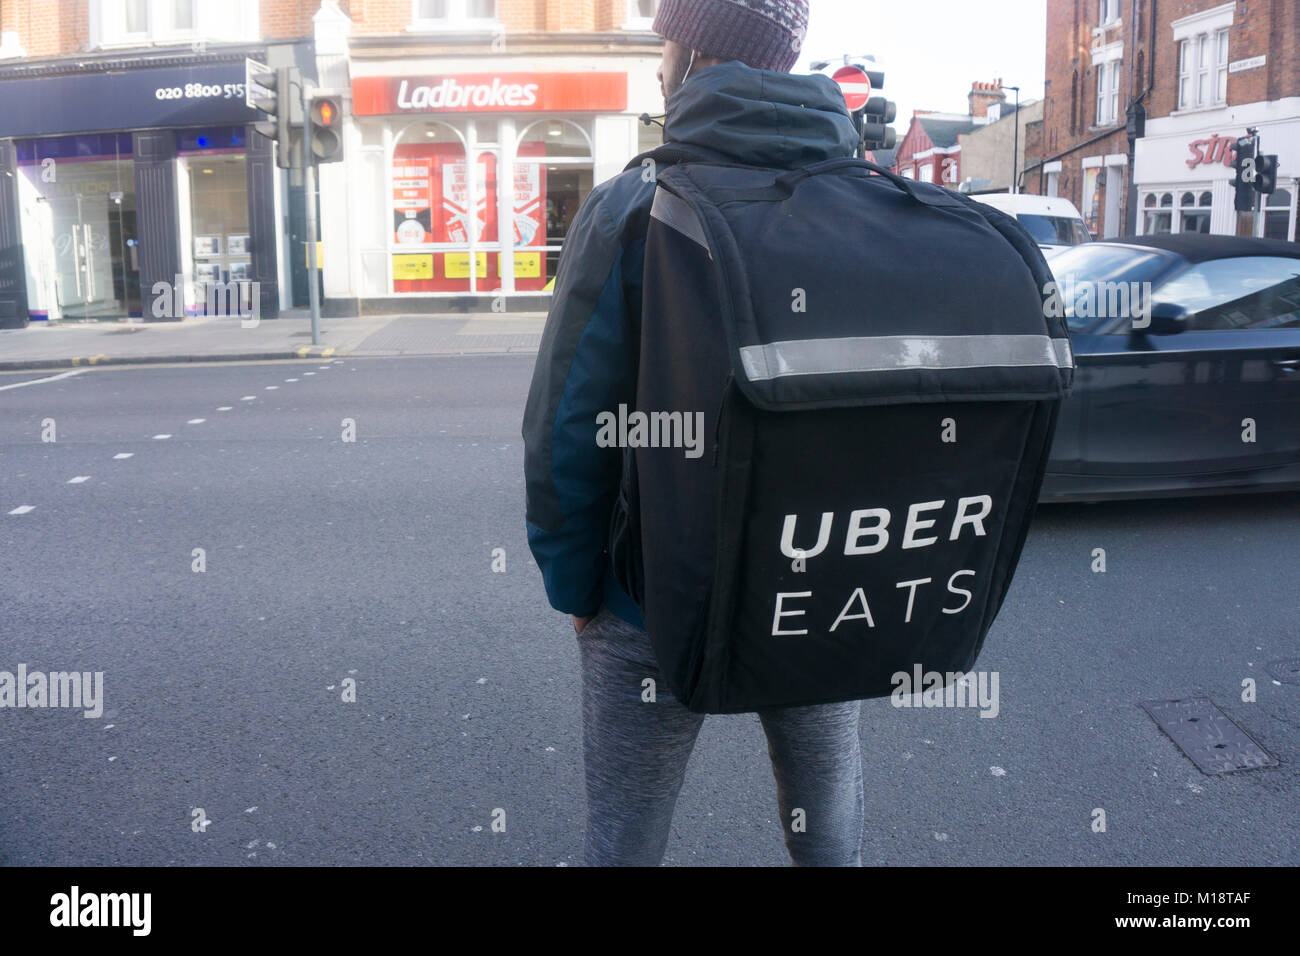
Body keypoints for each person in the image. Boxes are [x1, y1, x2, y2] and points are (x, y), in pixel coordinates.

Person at [522, 0, 865, 867]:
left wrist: (579, 590)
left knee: (627, 834)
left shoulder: (634, 206)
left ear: (691, 50)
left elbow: (569, 424)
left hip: (657, 594)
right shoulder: (864, 204)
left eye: (664, 41)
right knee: (825, 820)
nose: (658, 61)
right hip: (817, 584)